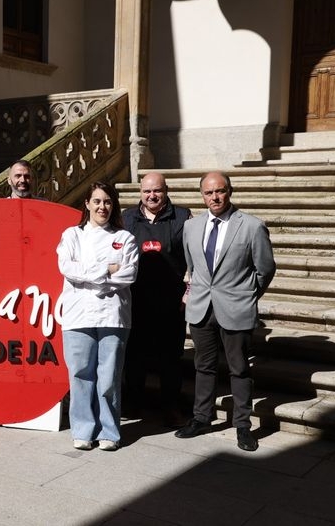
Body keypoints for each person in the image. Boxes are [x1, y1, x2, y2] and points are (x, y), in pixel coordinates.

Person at [175, 172, 275, 452]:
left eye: (220, 191)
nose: (215, 198)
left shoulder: (252, 226)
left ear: (229, 192)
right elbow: (192, 266)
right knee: (203, 366)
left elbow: (265, 268)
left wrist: (247, 294)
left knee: (239, 368)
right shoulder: (191, 227)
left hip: (236, 308)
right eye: (209, 193)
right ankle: (201, 417)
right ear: (202, 196)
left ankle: (243, 425)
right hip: (201, 307)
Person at [57, 181, 139, 452]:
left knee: (109, 377)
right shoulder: (72, 235)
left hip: (112, 316)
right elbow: (67, 267)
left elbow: (128, 274)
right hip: (77, 315)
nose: (102, 206)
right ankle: (82, 430)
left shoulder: (125, 238)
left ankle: (109, 432)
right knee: (80, 375)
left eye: (107, 202)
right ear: (87, 204)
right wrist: (107, 270)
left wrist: (90, 273)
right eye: (97, 201)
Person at [122, 172, 191, 427]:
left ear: (166, 190)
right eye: (147, 191)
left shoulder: (182, 217)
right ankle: (133, 401)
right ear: (140, 192)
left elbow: (193, 260)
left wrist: (188, 293)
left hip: (170, 301)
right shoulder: (127, 218)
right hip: (135, 299)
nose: (152, 196)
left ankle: (171, 406)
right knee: (134, 355)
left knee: (170, 358)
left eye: (157, 191)